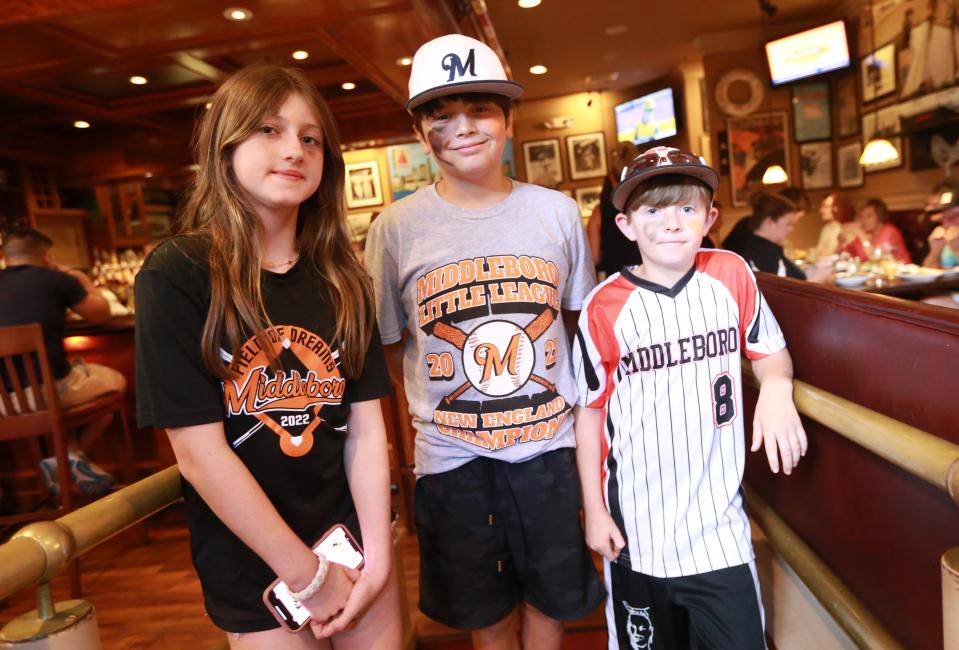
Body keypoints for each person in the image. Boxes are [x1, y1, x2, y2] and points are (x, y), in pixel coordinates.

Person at [134, 64, 400, 649]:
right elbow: (200, 456)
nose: (294, 150)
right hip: (253, 562)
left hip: (351, 541)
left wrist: (378, 556)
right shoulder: (177, 273)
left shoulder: (343, 278)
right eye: (269, 130)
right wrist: (308, 579)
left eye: (310, 138)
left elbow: (364, 431)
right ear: (224, 146)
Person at [365, 34, 604, 649]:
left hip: (549, 448)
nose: (463, 128)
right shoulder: (394, 228)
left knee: (554, 598)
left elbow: (575, 324)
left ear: (508, 120)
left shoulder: (556, 214)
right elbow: (394, 347)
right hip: (452, 460)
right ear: (421, 133)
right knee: (486, 615)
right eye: (441, 117)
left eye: (481, 110)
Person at [571, 145, 807, 649]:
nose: (671, 223)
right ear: (626, 225)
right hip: (637, 533)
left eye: (686, 208)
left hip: (718, 533)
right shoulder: (603, 306)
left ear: (709, 217)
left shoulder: (731, 273)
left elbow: (771, 354)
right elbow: (588, 414)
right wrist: (593, 508)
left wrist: (777, 389)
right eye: (652, 210)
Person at [0, 227, 123, 496]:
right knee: (115, 384)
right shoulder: (56, 279)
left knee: (71, 398)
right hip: (49, 392)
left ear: (6, 256)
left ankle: (63, 458)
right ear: (45, 255)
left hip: (3, 403)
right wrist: (83, 281)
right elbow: (100, 315)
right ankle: (68, 456)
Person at [741, 192, 831, 282]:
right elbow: (780, 292)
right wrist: (818, 279)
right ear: (769, 222)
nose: (791, 229)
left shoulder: (761, 247)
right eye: (788, 224)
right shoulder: (765, 254)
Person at [588, 141, 641, 277]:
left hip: (618, 281)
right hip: (653, 278)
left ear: (611, 178)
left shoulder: (598, 213)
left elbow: (594, 258)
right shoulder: (652, 206)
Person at [841, 198, 911, 263]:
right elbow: (846, 255)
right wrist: (842, 242)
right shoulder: (867, 234)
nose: (863, 220)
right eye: (861, 216)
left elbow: (876, 258)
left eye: (869, 216)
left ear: (880, 216)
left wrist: (861, 234)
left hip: (902, 274)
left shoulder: (889, 231)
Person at [815, 191, 854, 258]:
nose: (821, 210)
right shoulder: (826, 228)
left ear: (837, 208)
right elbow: (818, 251)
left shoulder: (847, 229)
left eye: (826, 207)